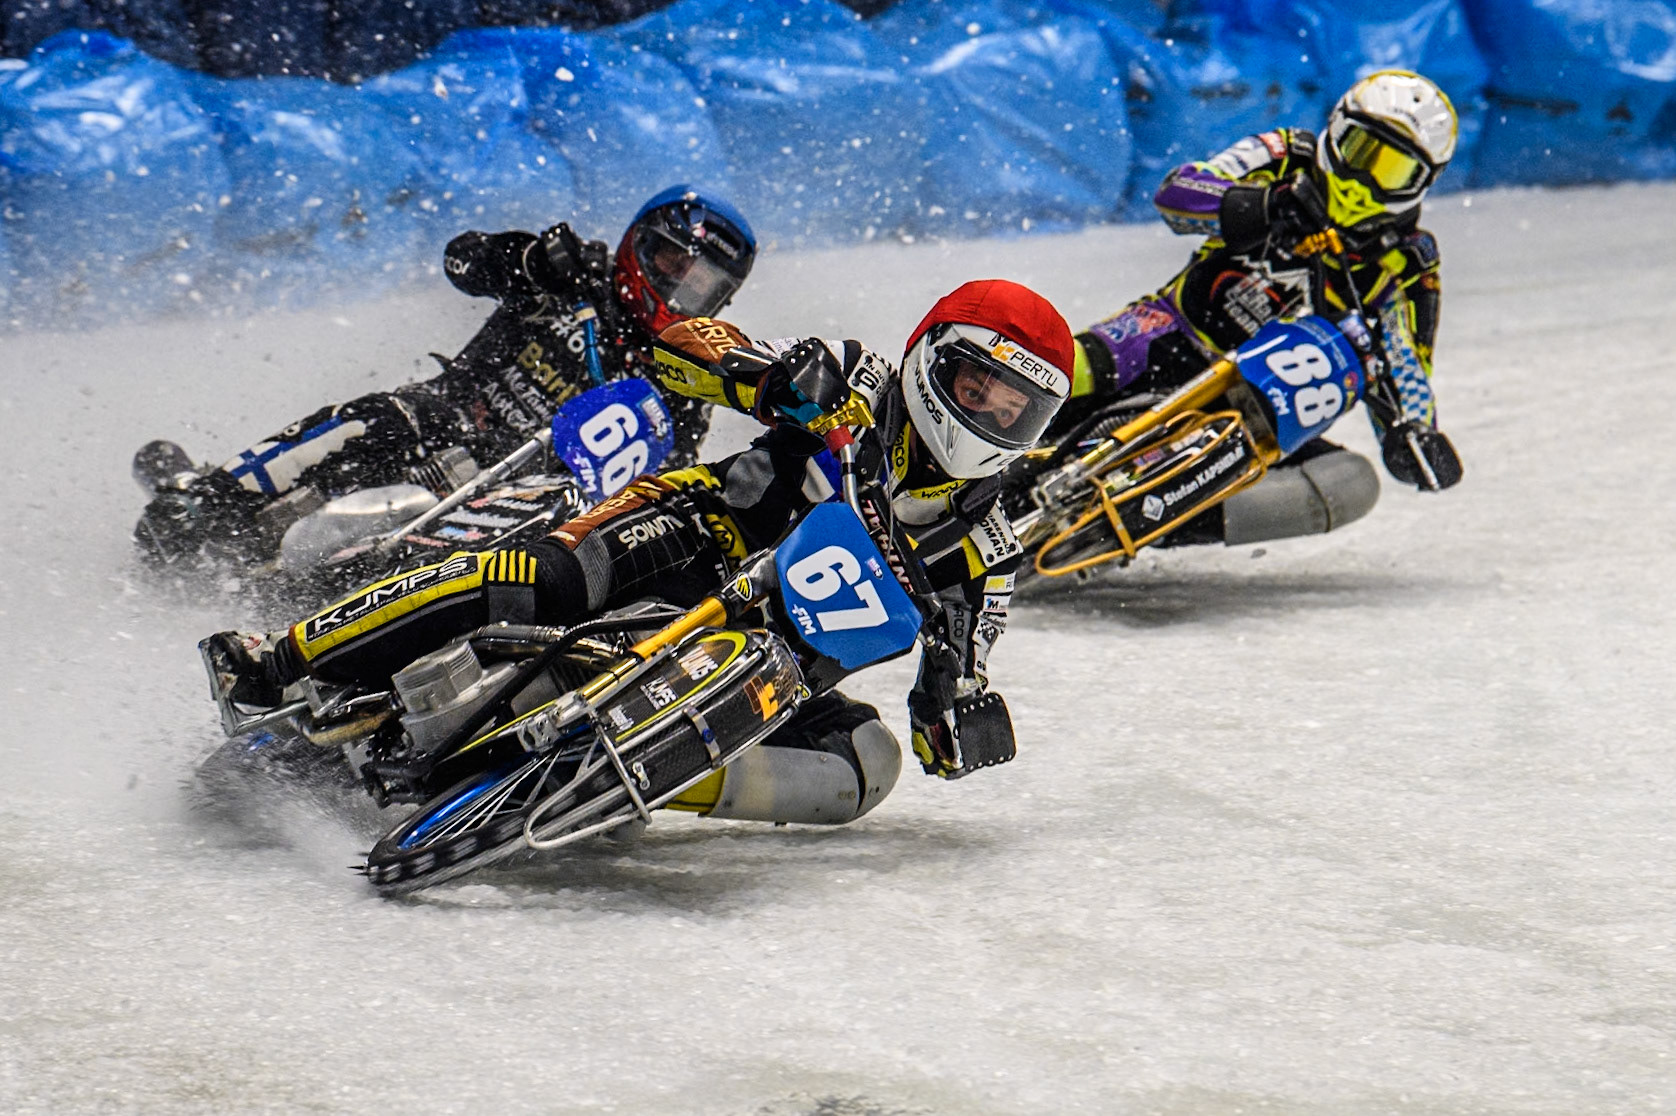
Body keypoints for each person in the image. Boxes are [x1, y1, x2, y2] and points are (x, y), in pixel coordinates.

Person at [205, 278, 1075, 823]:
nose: (989, 418)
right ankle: (281, 656)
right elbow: (681, 348)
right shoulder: (858, 378)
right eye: (977, 388)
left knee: (866, 767)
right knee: (539, 576)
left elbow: (951, 696)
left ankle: (616, 779)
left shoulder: (986, 552)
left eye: (1014, 412)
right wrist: (767, 378)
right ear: (935, 359)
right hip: (694, 535)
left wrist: (960, 720)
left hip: (778, 673)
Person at [134, 185, 758, 566]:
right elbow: (461, 259)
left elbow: (656, 483)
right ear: (638, 243)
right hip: (447, 417)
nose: (676, 286)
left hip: (523, 496)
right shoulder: (575, 273)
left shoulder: (681, 382)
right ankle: (213, 498)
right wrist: (527, 258)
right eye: (670, 262)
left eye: (698, 282)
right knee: (382, 416)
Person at [1036, 69, 1462, 548]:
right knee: (1052, 368)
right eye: (1359, 151)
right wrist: (1260, 206)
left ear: (1421, 184)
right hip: (1169, 331)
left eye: (1392, 171)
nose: (1362, 182)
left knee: (1351, 483)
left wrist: (1414, 434)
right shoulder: (1284, 155)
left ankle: (1146, 520)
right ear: (1335, 132)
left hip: (1258, 413)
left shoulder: (1405, 260)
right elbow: (1179, 192)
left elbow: (1405, 362)